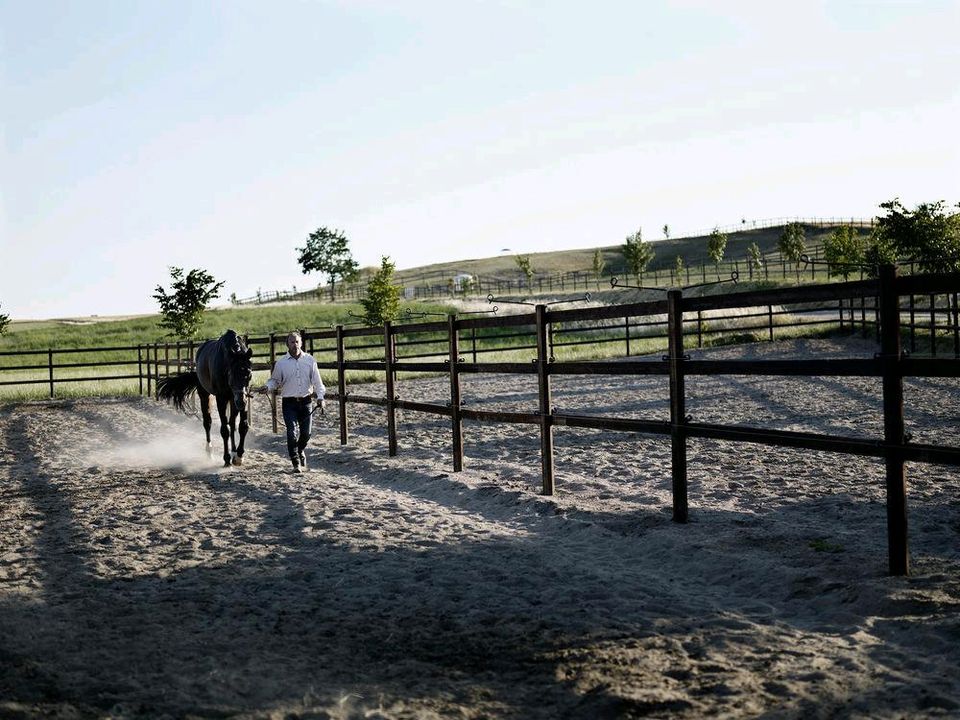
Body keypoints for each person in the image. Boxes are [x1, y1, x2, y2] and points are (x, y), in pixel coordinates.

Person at [263, 331, 326, 473]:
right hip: (289, 403)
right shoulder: (281, 363)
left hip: (306, 402)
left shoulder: (310, 361)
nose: (295, 344)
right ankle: (295, 462)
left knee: (306, 434)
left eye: (297, 341)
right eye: (292, 342)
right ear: (287, 344)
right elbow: (275, 380)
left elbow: (318, 382)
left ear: (301, 343)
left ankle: (300, 449)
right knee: (291, 432)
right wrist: (267, 387)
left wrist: (321, 397)